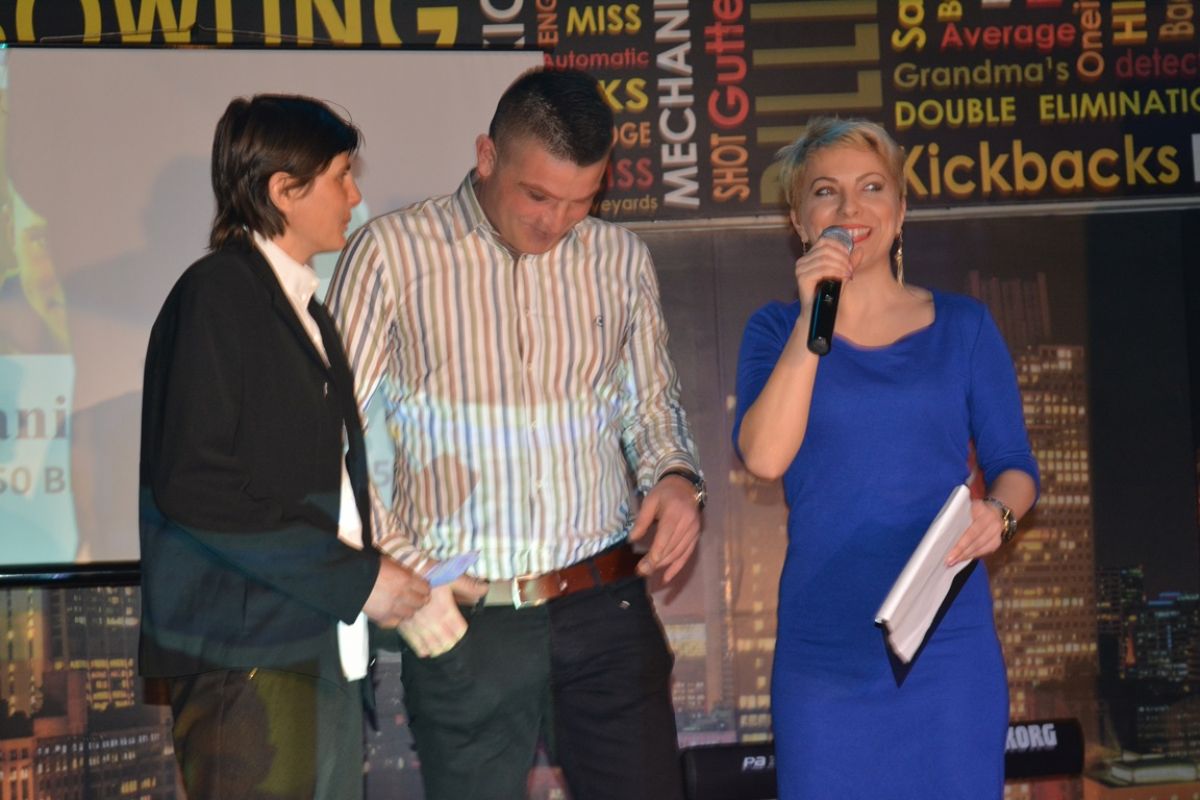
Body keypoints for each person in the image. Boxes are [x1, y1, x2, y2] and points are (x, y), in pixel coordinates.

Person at [326, 67, 704, 800]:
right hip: (466, 614)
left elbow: (651, 407)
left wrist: (676, 478)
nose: (556, 222)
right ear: (487, 156)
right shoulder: (391, 255)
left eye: (580, 201)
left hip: (604, 601)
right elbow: (334, 440)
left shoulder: (619, 259)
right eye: (537, 196)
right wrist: (412, 573)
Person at [732, 117, 1038, 799]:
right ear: (798, 218)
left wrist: (998, 515)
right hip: (823, 653)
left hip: (945, 647)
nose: (850, 208)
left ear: (900, 212)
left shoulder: (964, 326)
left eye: (872, 188)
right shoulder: (776, 329)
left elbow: (1016, 466)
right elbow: (765, 457)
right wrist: (814, 316)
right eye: (826, 192)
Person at [138, 94, 431, 800]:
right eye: (340, 175)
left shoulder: (309, 314)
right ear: (283, 190)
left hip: (314, 649)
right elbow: (193, 483)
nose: (355, 196)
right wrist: (358, 579)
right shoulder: (217, 294)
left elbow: (316, 491)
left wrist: (386, 570)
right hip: (249, 661)